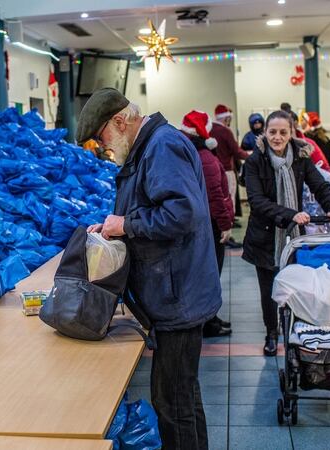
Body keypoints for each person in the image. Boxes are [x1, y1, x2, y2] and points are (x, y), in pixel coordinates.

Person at [77, 88, 221, 450]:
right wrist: (112, 228)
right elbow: (151, 208)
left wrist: (125, 225)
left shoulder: (161, 147)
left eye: (101, 137)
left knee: (172, 404)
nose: (103, 146)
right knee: (183, 397)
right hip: (174, 293)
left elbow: (181, 214)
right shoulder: (147, 148)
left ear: (120, 122)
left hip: (179, 297)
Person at [242, 110, 330, 356]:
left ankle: (297, 329)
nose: (277, 137)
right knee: (268, 289)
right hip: (265, 236)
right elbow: (256, 201)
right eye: (272, 132)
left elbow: (320, 186)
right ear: (264, 133)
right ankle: (271, 333)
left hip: (293, 235)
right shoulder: (255, 161)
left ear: (291, 133)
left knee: (296, 285)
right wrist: (290, 214)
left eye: (282, 132)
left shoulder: (300, 159)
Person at [181, 110, 234, 338]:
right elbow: (216, 196)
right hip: (210, 225)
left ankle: (211, 318)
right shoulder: (206, 158)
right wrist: (225, 224)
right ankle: (208, 322)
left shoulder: (186, 154)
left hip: (195, 224)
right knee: (211, 276)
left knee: (203, 275)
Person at [210, 104, 247, 247]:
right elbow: (236, 151)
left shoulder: (210, 129)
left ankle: (220, 231)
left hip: (214, 171)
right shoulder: (225, 131)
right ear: (226, 118)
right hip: (226, 171)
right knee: (228, 203)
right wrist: (252, 156)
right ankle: (227, 234)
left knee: (218, 201)